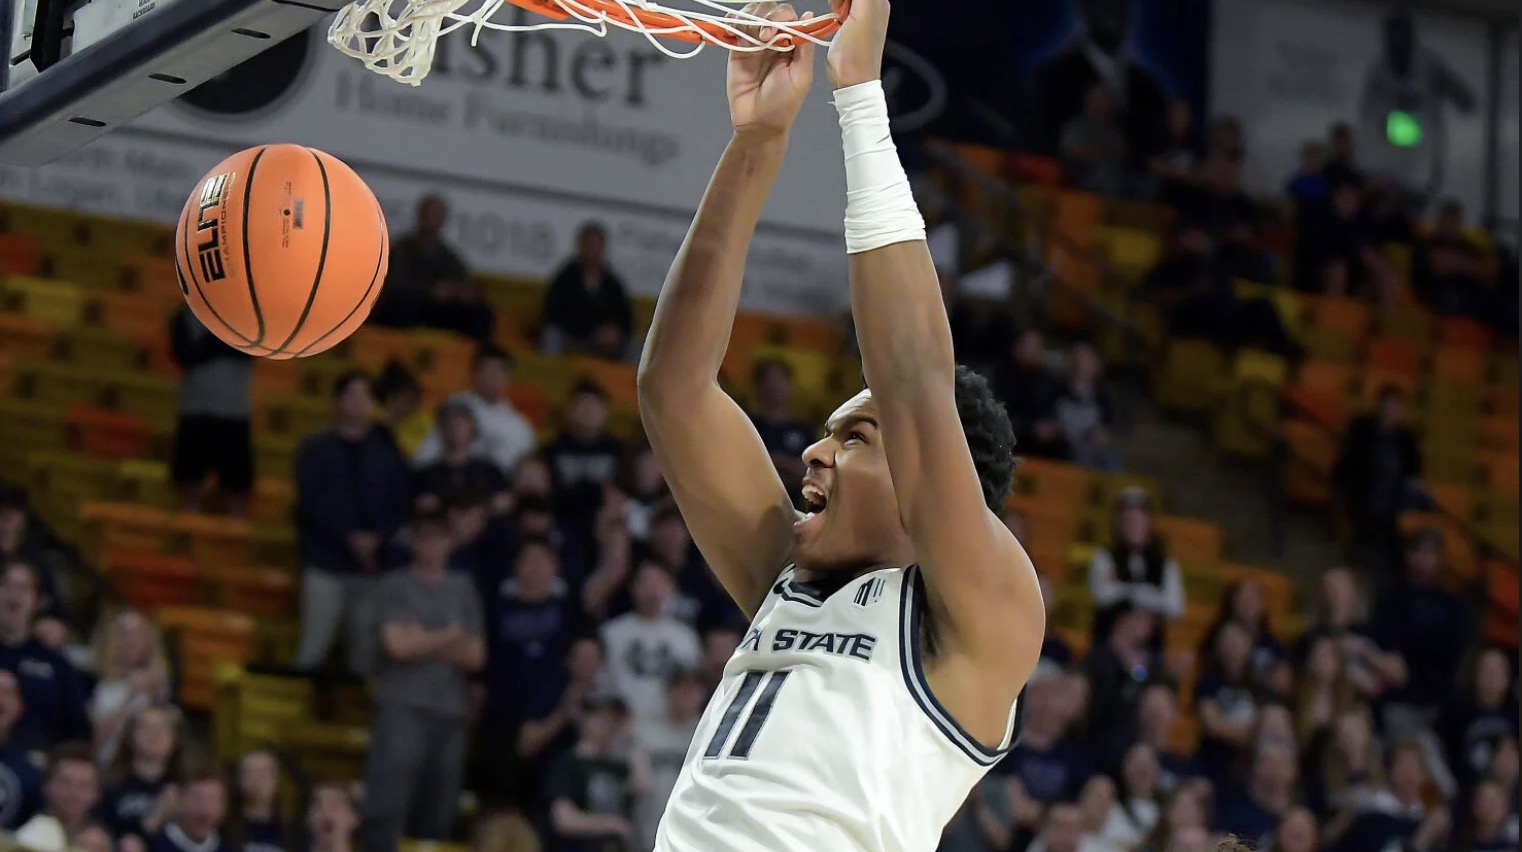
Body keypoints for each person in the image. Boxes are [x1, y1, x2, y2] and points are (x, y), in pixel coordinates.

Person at [636, 2, 1044, 848]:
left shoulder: (984, 619)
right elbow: (674, 389)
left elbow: (911, 378)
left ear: (932, 478)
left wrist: (858, 96)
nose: (814, 451)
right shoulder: (786, 574)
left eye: (855, 439)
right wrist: (756, 145)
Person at [167, 306, 254, 515]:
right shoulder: (183, 316)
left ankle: (234, 538)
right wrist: (220, 338)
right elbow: (184, 354)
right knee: (190, 483)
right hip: (194, 409)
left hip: (233, 412)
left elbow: (248, 350)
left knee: (236, 486)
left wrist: (206, 344)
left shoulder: (247, 315)